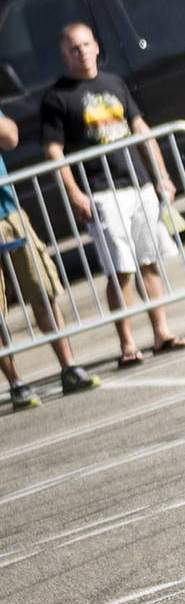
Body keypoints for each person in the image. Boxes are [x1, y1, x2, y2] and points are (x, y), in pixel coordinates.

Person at [39, 23, 185, 368]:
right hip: (101, 191)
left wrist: (161, 176)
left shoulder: (115, 83)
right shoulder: (57, 97)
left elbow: (141, 130)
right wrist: (75, 193)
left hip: (137, 184)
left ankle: (161, 332)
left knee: (149, 261)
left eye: (86, 44)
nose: (82, 52)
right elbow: (54, 151)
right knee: (120, 270)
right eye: (74, 48)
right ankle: (127, 343)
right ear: (65, 55)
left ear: (96, 45)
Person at [1, 113, 99, 410]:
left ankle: (69, 366)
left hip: (8, 213)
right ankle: (17, 383)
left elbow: (10, 138)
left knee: (43, 289)